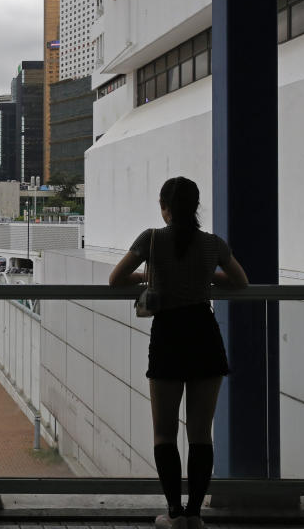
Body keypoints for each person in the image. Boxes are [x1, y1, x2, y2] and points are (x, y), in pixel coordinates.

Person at [109, 177, 248, 529]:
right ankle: (195, 515)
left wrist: (149, 277)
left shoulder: (151, 239)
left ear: (164, 207)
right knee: (201, 434)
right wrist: (206, 277)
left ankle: (173, 513)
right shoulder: (212, 244)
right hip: (204, 334)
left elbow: (116, 279)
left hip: (168, 336)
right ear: (196, 206)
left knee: (164, 433)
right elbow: (240, 282)